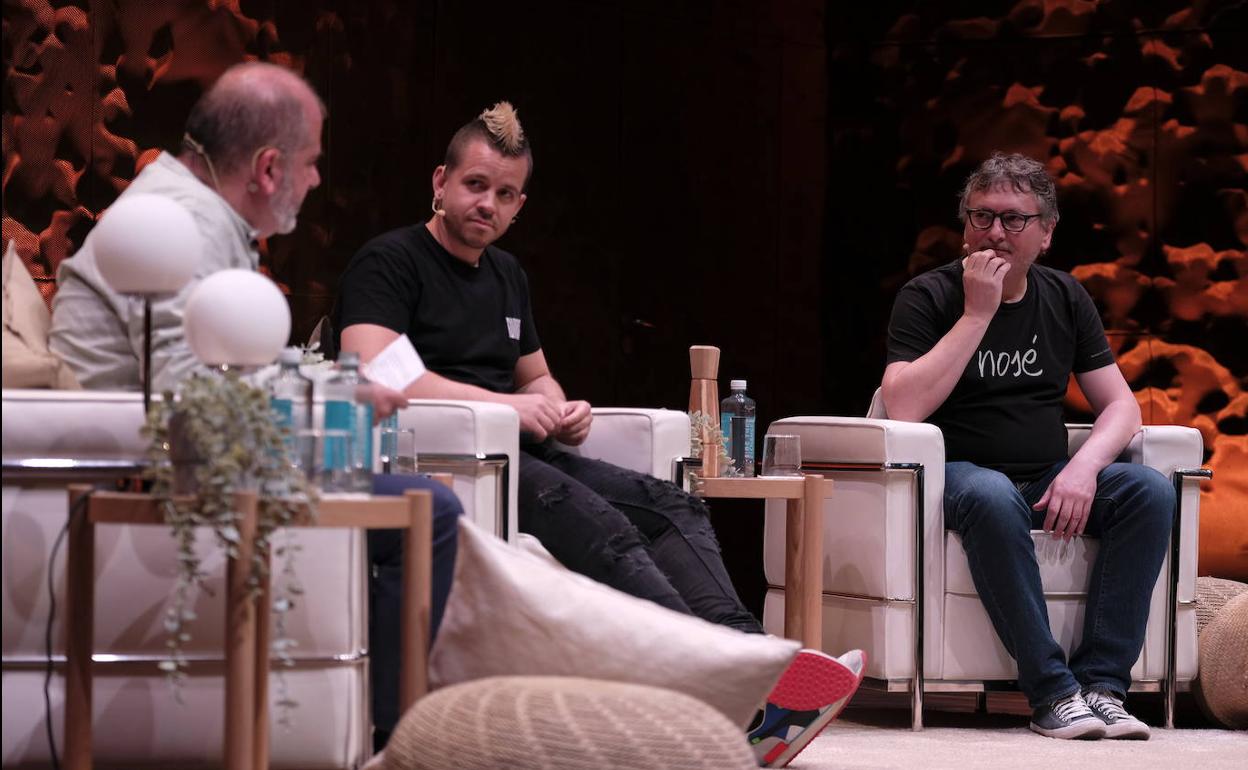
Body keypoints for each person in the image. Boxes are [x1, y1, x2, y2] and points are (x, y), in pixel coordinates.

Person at [332, 102, 864, 766]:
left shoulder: (506, 275)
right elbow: (373, 368)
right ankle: (730, 689)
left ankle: (759, 666)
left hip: (528, 451)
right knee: (605, 525)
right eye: (475, 185)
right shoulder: (390, 261)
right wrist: (508, 407)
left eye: (505, 194)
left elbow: (538, 378)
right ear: (440, 181)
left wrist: (561, 408)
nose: (487, 204)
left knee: (674, 505)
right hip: (461, 458)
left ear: (520, 205)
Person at [45, 62, 460, 752]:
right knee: (433, 511)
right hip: (150, 476)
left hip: (184, 460)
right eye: (312, 162)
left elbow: (223, 368)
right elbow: (193, 393)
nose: (317, 179)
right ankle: (394, 746)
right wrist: (340, 399)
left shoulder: (193, 212)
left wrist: (320, 388)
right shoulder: (183, 223)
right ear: (269, 168)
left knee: (413, 494)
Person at [882, 152, 1173, 740]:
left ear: (1046, 233)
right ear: (965, 225)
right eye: (981, 216)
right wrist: (977, 314)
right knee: (993, 494)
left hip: (1042, 476)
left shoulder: (1065, 296)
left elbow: (1122, 407)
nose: (995, 232)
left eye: (1014, 219)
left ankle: (1103, 688)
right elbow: (903, 405)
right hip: (958, 477)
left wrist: (1083, 469)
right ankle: (1052, 694)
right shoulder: (928, 296)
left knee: (1147, 490)